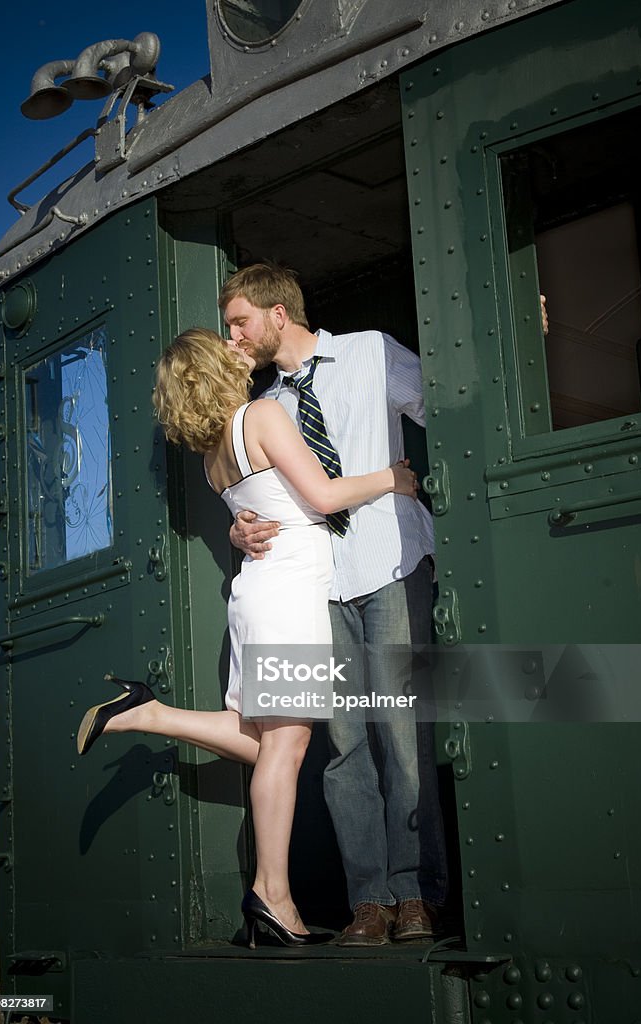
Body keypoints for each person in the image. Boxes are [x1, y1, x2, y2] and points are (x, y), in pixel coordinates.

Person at [76, 327, 418, 949]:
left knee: (267, 745)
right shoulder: (260, 415)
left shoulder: (214, 454)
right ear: (214, 367)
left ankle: (147, 711)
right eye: (223, 344)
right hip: (288, 598)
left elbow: (271, 509)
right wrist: (391, 479)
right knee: (284, 751)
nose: (237, 347)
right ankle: (273, 896)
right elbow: (321, 495)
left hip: (259, 595)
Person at [219, 263, 448, 946]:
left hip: (390, 565)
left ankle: (415, 895)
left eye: (240, 322)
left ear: (278, 314)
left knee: (403, 740)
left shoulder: (373, 352)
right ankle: (368, 903)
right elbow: (267, 498)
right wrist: (238, 528)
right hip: (321, 587)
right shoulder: (270, 408)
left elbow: (452, 409)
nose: (232, 335)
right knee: (347, 752)